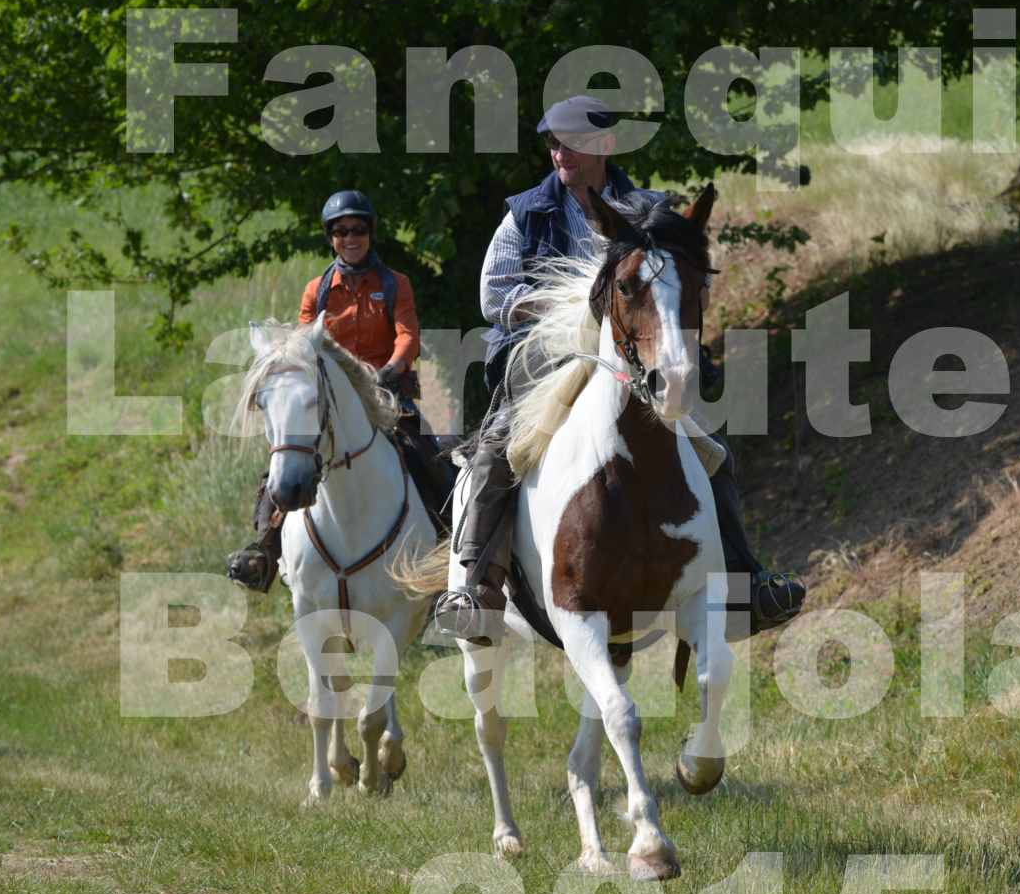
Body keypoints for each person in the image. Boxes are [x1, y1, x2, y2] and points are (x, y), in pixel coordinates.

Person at [435, 95, 805, 644]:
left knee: (713, 453)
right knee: (494, 453)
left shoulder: (647, 210)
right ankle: (474, 587)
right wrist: (566, 311)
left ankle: (744, 585)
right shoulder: (524, 214)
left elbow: (684, 279)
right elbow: (494, 295)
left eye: (572, 144)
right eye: (554, 144)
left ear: (604, 146)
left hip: (629, 359)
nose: (559, 153)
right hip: (545, 357)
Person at [226, 189, 445, 592]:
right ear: (331, 237)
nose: (350, 238)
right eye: (340, 231)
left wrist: (389, 371)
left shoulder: (396, 284)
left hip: (388, 395)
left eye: (358, 229)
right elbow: (302, 342)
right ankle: (264, 549)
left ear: (370, 233)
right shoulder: (318, 289)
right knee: (285, 462)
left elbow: (407, 335)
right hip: (334, 398)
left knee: (430, 458)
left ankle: (449, 553)